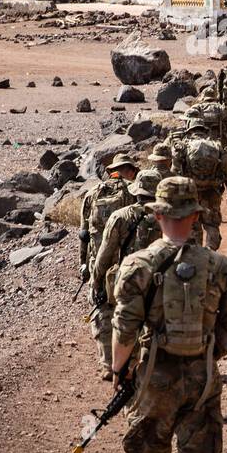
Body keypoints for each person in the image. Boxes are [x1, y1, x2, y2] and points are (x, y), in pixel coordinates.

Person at [110, 177, 227, 453]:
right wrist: (210, 348)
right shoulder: (223, 267)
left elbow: (124, 330)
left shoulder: (137, 265)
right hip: (203, 378)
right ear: (196, 216)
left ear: (158, 214)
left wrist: (119, 371)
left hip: (153, 378)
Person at [90, 172, 163, 370]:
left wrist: (96, 281)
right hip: (158, 281)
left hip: (127, 279)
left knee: (116, 317)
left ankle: (112, 364)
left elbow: (104, 255)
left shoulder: (120, 216)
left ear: (136, 191)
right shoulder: (168, 216)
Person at [79, 153, 139, 377]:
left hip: (100, 263)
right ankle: (130, 360)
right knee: (130, 311)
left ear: (112, 170)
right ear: (130, 170)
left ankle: (107, 364)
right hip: (131, 263)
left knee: (101, 310)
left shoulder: (93, 194)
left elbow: (84, 234)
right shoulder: (135, 192)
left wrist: (84, 265)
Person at [169, 115, 227, 250]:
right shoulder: (216, 146)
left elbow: (175, 171)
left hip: (189, 193)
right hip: (212, 192)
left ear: (190, 130)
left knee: (193, 226)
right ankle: (211, 250)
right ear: (204, 130)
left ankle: (197, 256)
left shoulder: (183, 147)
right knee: (212, 224)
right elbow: (226, 171)